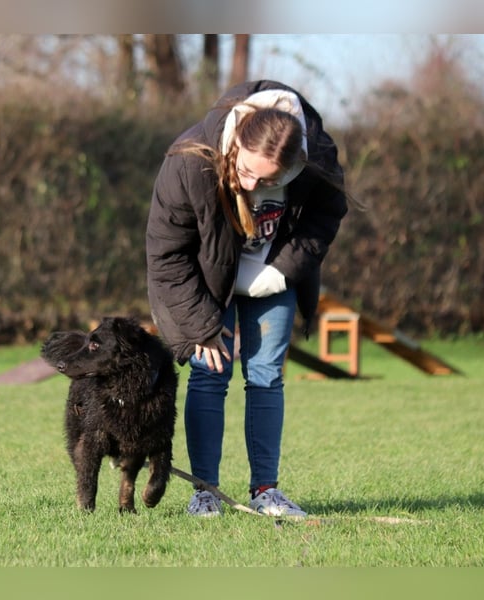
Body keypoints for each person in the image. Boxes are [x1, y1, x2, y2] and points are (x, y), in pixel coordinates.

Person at [145, 80, 349, 517]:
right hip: (206, 283)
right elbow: (167, 254)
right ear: (235, 142)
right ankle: (205, 493)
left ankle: (266, 491)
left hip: (273, 278)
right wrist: (200, 325)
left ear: (295, 166)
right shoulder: (189, 161)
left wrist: (280, 273)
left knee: (266, 376)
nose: (253, 184)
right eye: (246, 171)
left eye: (269, 180)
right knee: (208, 375)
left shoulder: (318, 159)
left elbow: (325, 218)